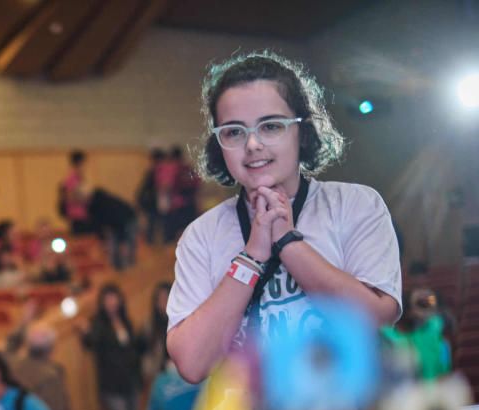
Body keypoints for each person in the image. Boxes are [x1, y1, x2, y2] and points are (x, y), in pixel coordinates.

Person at [167, 51, 401, 384]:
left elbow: (375, 321)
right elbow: (191, 364)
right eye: (234, 132)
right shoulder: (201, 235)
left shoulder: (355, 204)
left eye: (271, 126)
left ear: (302, 132)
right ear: (219, 144)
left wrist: (288, 242)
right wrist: (251, 257)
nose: (252, 144)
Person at [78, 283, 147, 410]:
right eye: (108, 299)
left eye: (114, 298)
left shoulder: (125, 321)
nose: (111, 303)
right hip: (112, 383)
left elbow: (133, 347)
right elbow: (92, 343)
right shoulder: (98, 323)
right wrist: (84, 332)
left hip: (131, 379)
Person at [61, 150, 93, 236]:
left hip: (83, 217)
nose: (86, 166)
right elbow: (68, 197)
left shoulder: (80, 178)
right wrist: (84, 198)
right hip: (77, 217)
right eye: (84, 163)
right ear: (79, 163)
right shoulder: (71, 178)